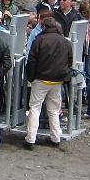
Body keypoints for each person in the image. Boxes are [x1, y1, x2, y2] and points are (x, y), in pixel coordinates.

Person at [23, 16, 71, 150]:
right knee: (54, 110)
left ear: (43, 26)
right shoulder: (64, 41)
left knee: (35, 108)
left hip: (40, 79)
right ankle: (56, 138)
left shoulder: (39, 40)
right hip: (57, 81)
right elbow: (70, 60)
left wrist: (31, 77)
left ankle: (30, 139)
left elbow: (31, 61)